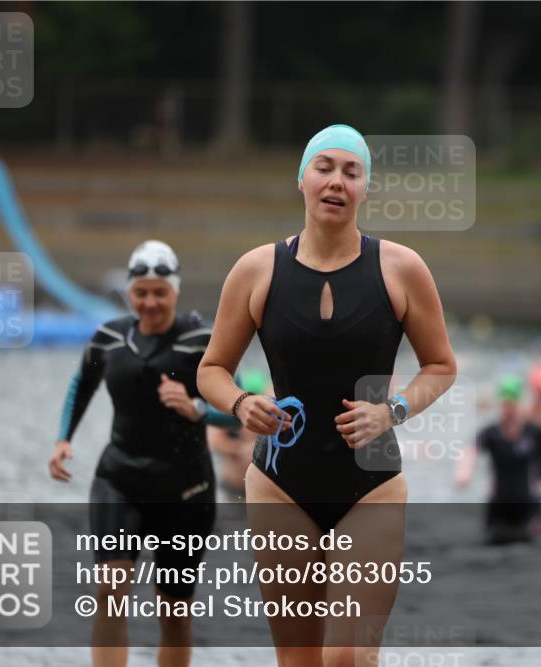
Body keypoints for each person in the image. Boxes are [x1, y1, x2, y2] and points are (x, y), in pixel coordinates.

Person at [197, 124, 456, 665]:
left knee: (348, 657)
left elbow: (440, 366)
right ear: (302, 180)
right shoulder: (256, 270)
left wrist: (393, 411)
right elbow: (213, 369)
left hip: (372, 485)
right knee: (299, 661)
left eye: (351, 171)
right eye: (325, 167)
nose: (336, 181)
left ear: (365, 189)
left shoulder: (401, 269)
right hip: (279, 486)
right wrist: (243, 405)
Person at [48, 240, 238, 667]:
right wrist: (64, 439)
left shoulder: (202, 341)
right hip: (121, 478)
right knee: (111, 590)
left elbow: (238, 410)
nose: (150, 303)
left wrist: (197, 409)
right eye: (141, 294)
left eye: (160, 293)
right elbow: (82, 384)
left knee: (174, 610)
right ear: (130, 294)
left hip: (185, 489)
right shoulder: (109, 338)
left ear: (175, 291)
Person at [456, 375, 541, 544]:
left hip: (529, 507)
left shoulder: (535, 432)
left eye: (513, 404)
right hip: (499, 506)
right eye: (506, 404)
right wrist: (464, 473)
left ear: (521, 404)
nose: (510, 410)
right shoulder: (491, 433)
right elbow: (471, 451)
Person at [206, 369, 270, 501]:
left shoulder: (269, 417)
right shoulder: (230, 415)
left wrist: (254, 448)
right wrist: (238, 449)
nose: (254, 409)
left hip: (260, 489)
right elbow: (213, 442)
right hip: (232, 487)